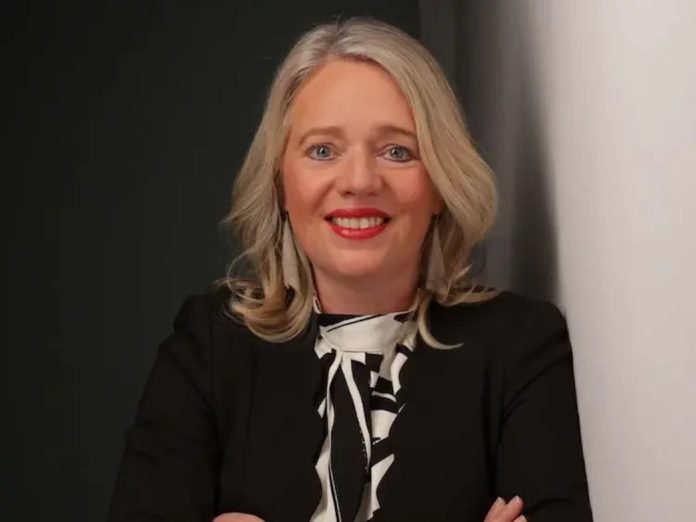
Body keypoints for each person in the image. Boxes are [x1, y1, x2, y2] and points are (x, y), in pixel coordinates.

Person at [108, 16, 592, 522]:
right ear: (281, 182)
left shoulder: (521, 346)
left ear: (439, 185)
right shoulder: (208, 345)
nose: (359, 181)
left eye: (397, 151)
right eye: (323, 151)